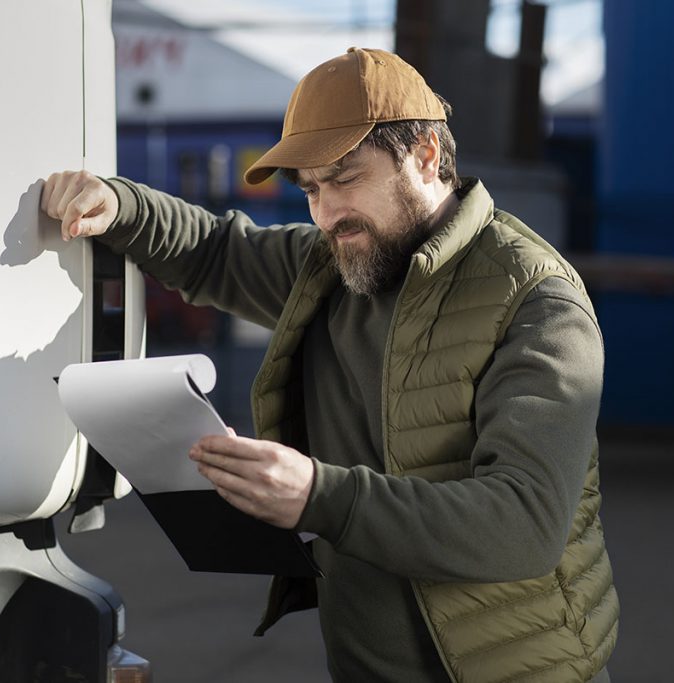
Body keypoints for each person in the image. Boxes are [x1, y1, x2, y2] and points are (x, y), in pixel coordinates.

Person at [42, 47, 618, 683]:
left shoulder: (535, 302)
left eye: (345, 178)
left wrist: (319, 496)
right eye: (311, 189)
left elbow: (524, 525)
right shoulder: (333, 264)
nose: (325, 212)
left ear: (426, 155)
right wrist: (115, 204)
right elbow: (214, 252)